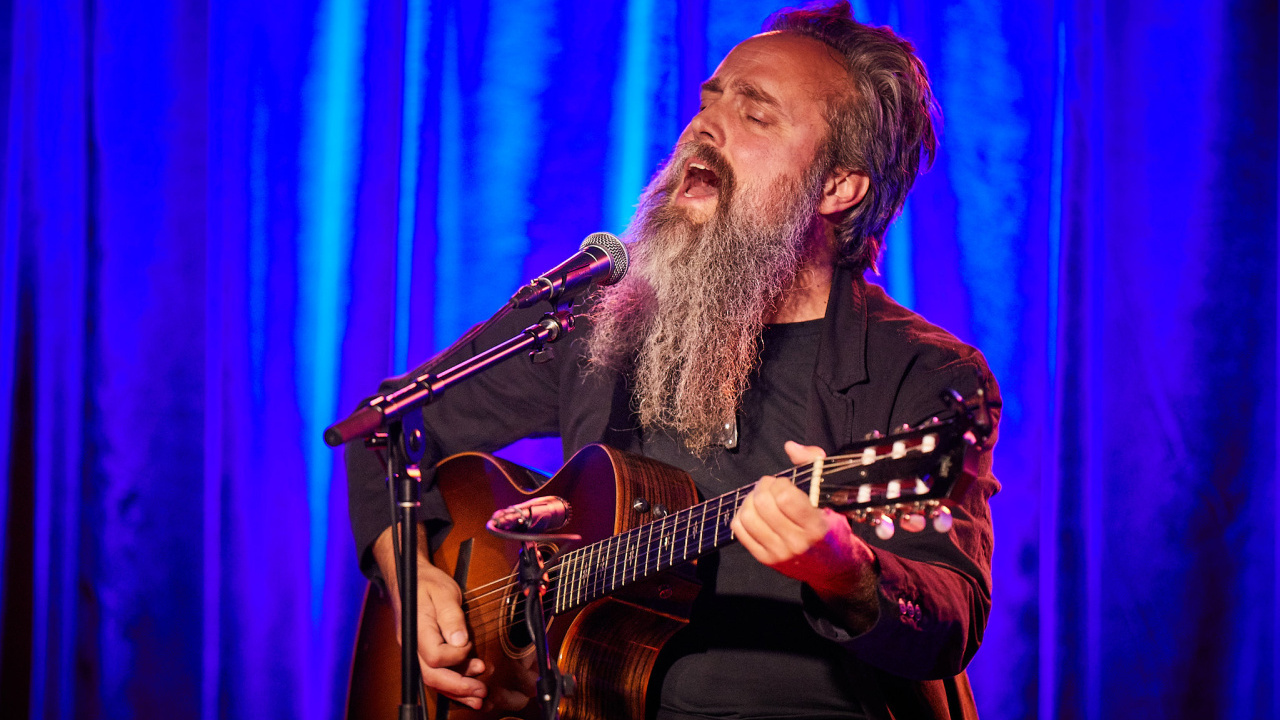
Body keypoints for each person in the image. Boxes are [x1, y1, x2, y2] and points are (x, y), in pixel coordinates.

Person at [346, 2, 1000, 718]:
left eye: (755, 116)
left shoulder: (928, 376)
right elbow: (387, 427)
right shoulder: (598, 315)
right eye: (708, 103)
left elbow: (951, 611)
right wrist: (410, 573)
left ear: (839, 186)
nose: (703, 128)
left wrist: (847, 572)